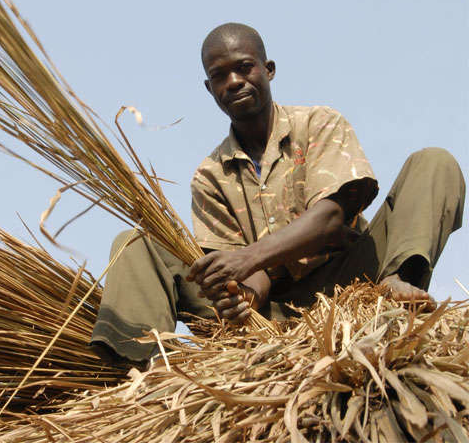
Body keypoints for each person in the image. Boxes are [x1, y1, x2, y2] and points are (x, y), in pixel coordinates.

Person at [90, 23, 465, 365]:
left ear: (268, 69)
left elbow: (332, 218)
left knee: (433, 162)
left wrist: (246, 260)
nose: (234, 81)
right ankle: (139, 364)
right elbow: (243, 273)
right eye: (219, 76)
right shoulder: (210, 175)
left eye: (244, 67)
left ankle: (400, 280)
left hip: (356, 278)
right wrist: (242, 296)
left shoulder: (318, 123)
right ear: (209, 89)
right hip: (272, 314)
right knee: (135, 242)